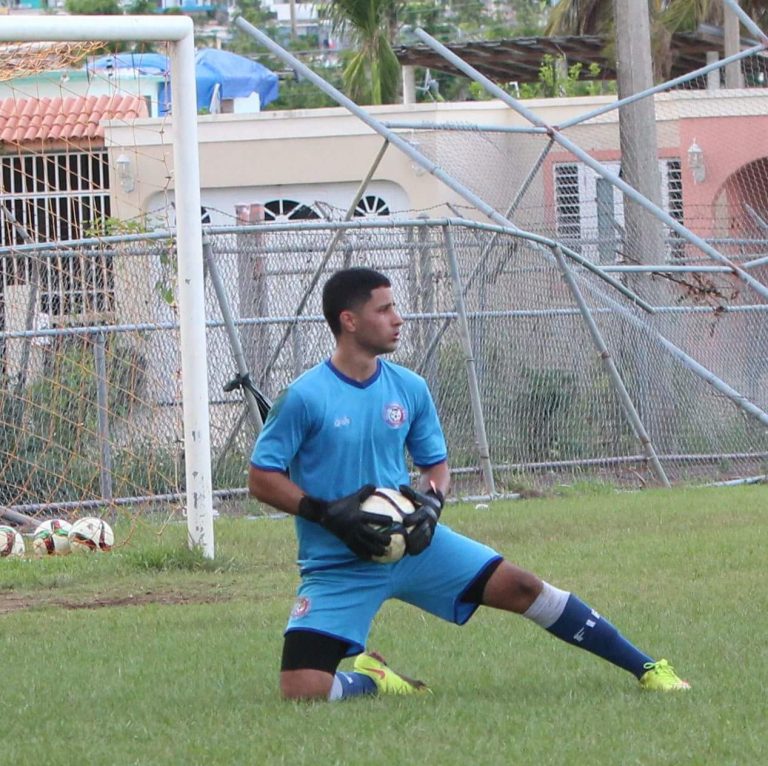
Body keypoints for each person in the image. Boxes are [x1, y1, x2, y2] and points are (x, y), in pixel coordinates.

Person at [248, 267, 690, 701]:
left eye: (395, 307)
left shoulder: (410, 387)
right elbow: (262, 478)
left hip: (416, 547)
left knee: (523, 587)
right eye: (384, 310)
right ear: (349, 320)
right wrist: (326, 514)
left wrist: (431, 505)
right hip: (339, 561)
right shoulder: (304, 396)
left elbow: (436, 467)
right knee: (302, 691)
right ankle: (374, 680)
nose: (398, 318)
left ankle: (648, 668)